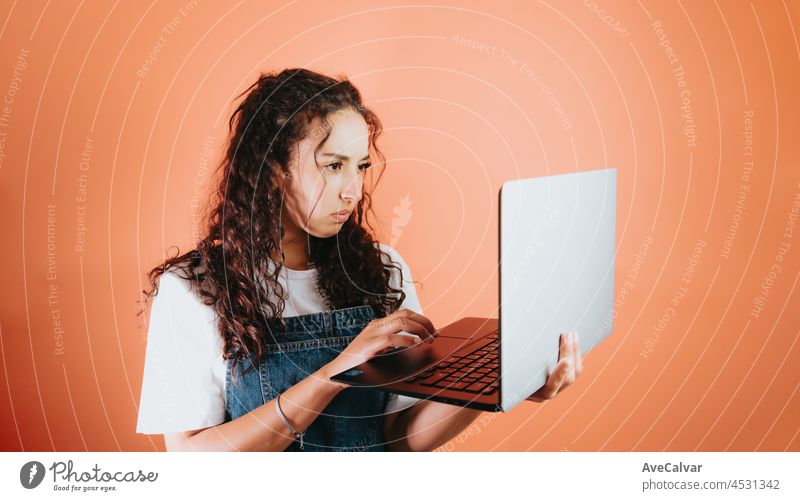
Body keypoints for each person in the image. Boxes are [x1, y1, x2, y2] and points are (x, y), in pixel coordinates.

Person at [135, 68, 583, 452]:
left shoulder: (382, 270)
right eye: (333, 166)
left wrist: (500, 381)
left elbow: (401, 435)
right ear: (273, 168)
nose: (352, 190)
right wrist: (333, 374)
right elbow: (192, 457)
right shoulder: (196, 288)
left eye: (361, 166)